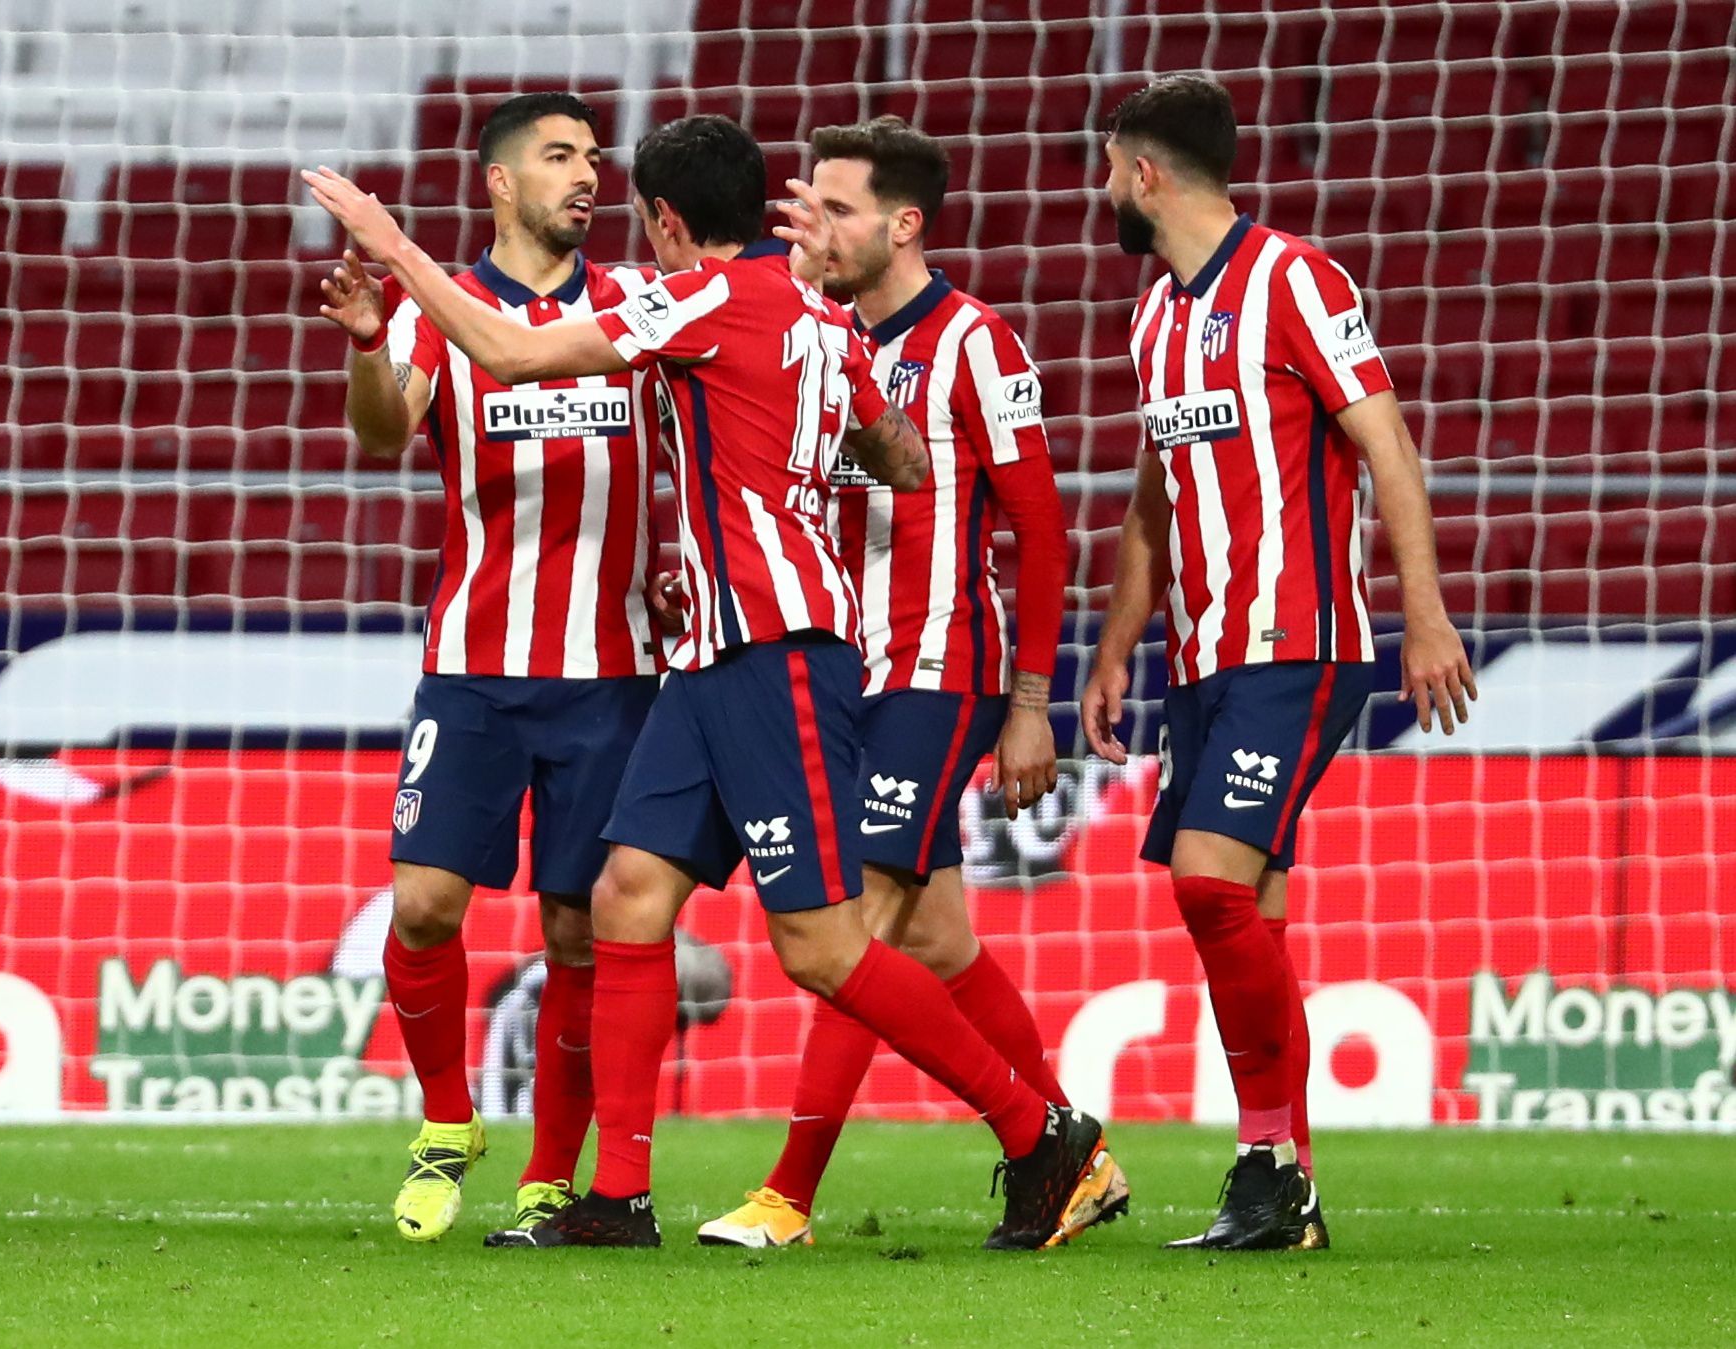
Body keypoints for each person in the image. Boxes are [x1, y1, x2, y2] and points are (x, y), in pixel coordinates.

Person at [306, 113, 1111, 1252]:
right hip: (705, 657)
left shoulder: (701, 299)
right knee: (628, 896)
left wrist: (394, 245)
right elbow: (906, 460)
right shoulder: (824, 317)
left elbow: (516, 354)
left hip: (774, 651)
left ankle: (1041, 1136)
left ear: (668, 221)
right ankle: (617, 1197)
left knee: (823, 946)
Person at [696, 116, 1127, 1250]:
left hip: (938, 667)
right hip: (842, 662)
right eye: (809, 203)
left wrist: (1031, 699)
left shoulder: (977, 342)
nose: (815, 226)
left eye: (837, 208)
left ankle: (788, 1192)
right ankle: (1073, 1147)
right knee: (936, 937)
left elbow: (1043, 532)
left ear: (903, 223)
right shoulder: (809, 333)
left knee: (860, 922)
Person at [1080, 76, 1477, 1251]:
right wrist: (1113, 650)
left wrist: (1427, 614)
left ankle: (1268, 1160)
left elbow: (1385, 445)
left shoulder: (1295, 279)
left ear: (1144, 172)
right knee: (1247, 907)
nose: (1104, 189)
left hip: (1301, 642)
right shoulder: (1156, 316)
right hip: (1203, 659)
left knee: (1204, 880)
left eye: (1110, 167)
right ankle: (1278, 1188)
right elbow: (1153, 500)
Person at [316, 92, 661, 1246]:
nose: (586, 176)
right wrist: (370, 343)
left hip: (612, 672)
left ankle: (550, 1176)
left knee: (576, 931)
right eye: (559, 157)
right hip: (472, 666)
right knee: (423, 904)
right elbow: (381, 428)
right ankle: (449, 1120)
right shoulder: (437, 309)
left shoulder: (637, 308)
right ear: (498, 183)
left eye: (593, 158)